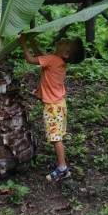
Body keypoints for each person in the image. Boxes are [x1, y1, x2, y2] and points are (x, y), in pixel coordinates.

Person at [18, 33, 85, 181]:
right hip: (59, 104)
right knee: (57, 136)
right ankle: (59, 162)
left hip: (52, 106)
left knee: (56, 138)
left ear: (65, 53)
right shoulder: (56, 60)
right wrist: (31, 40)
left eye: (66, 42)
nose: (63, 40)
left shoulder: (52, 59)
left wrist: (23, 42)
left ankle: (63, 168)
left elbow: (31, 59)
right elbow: (42, 57)